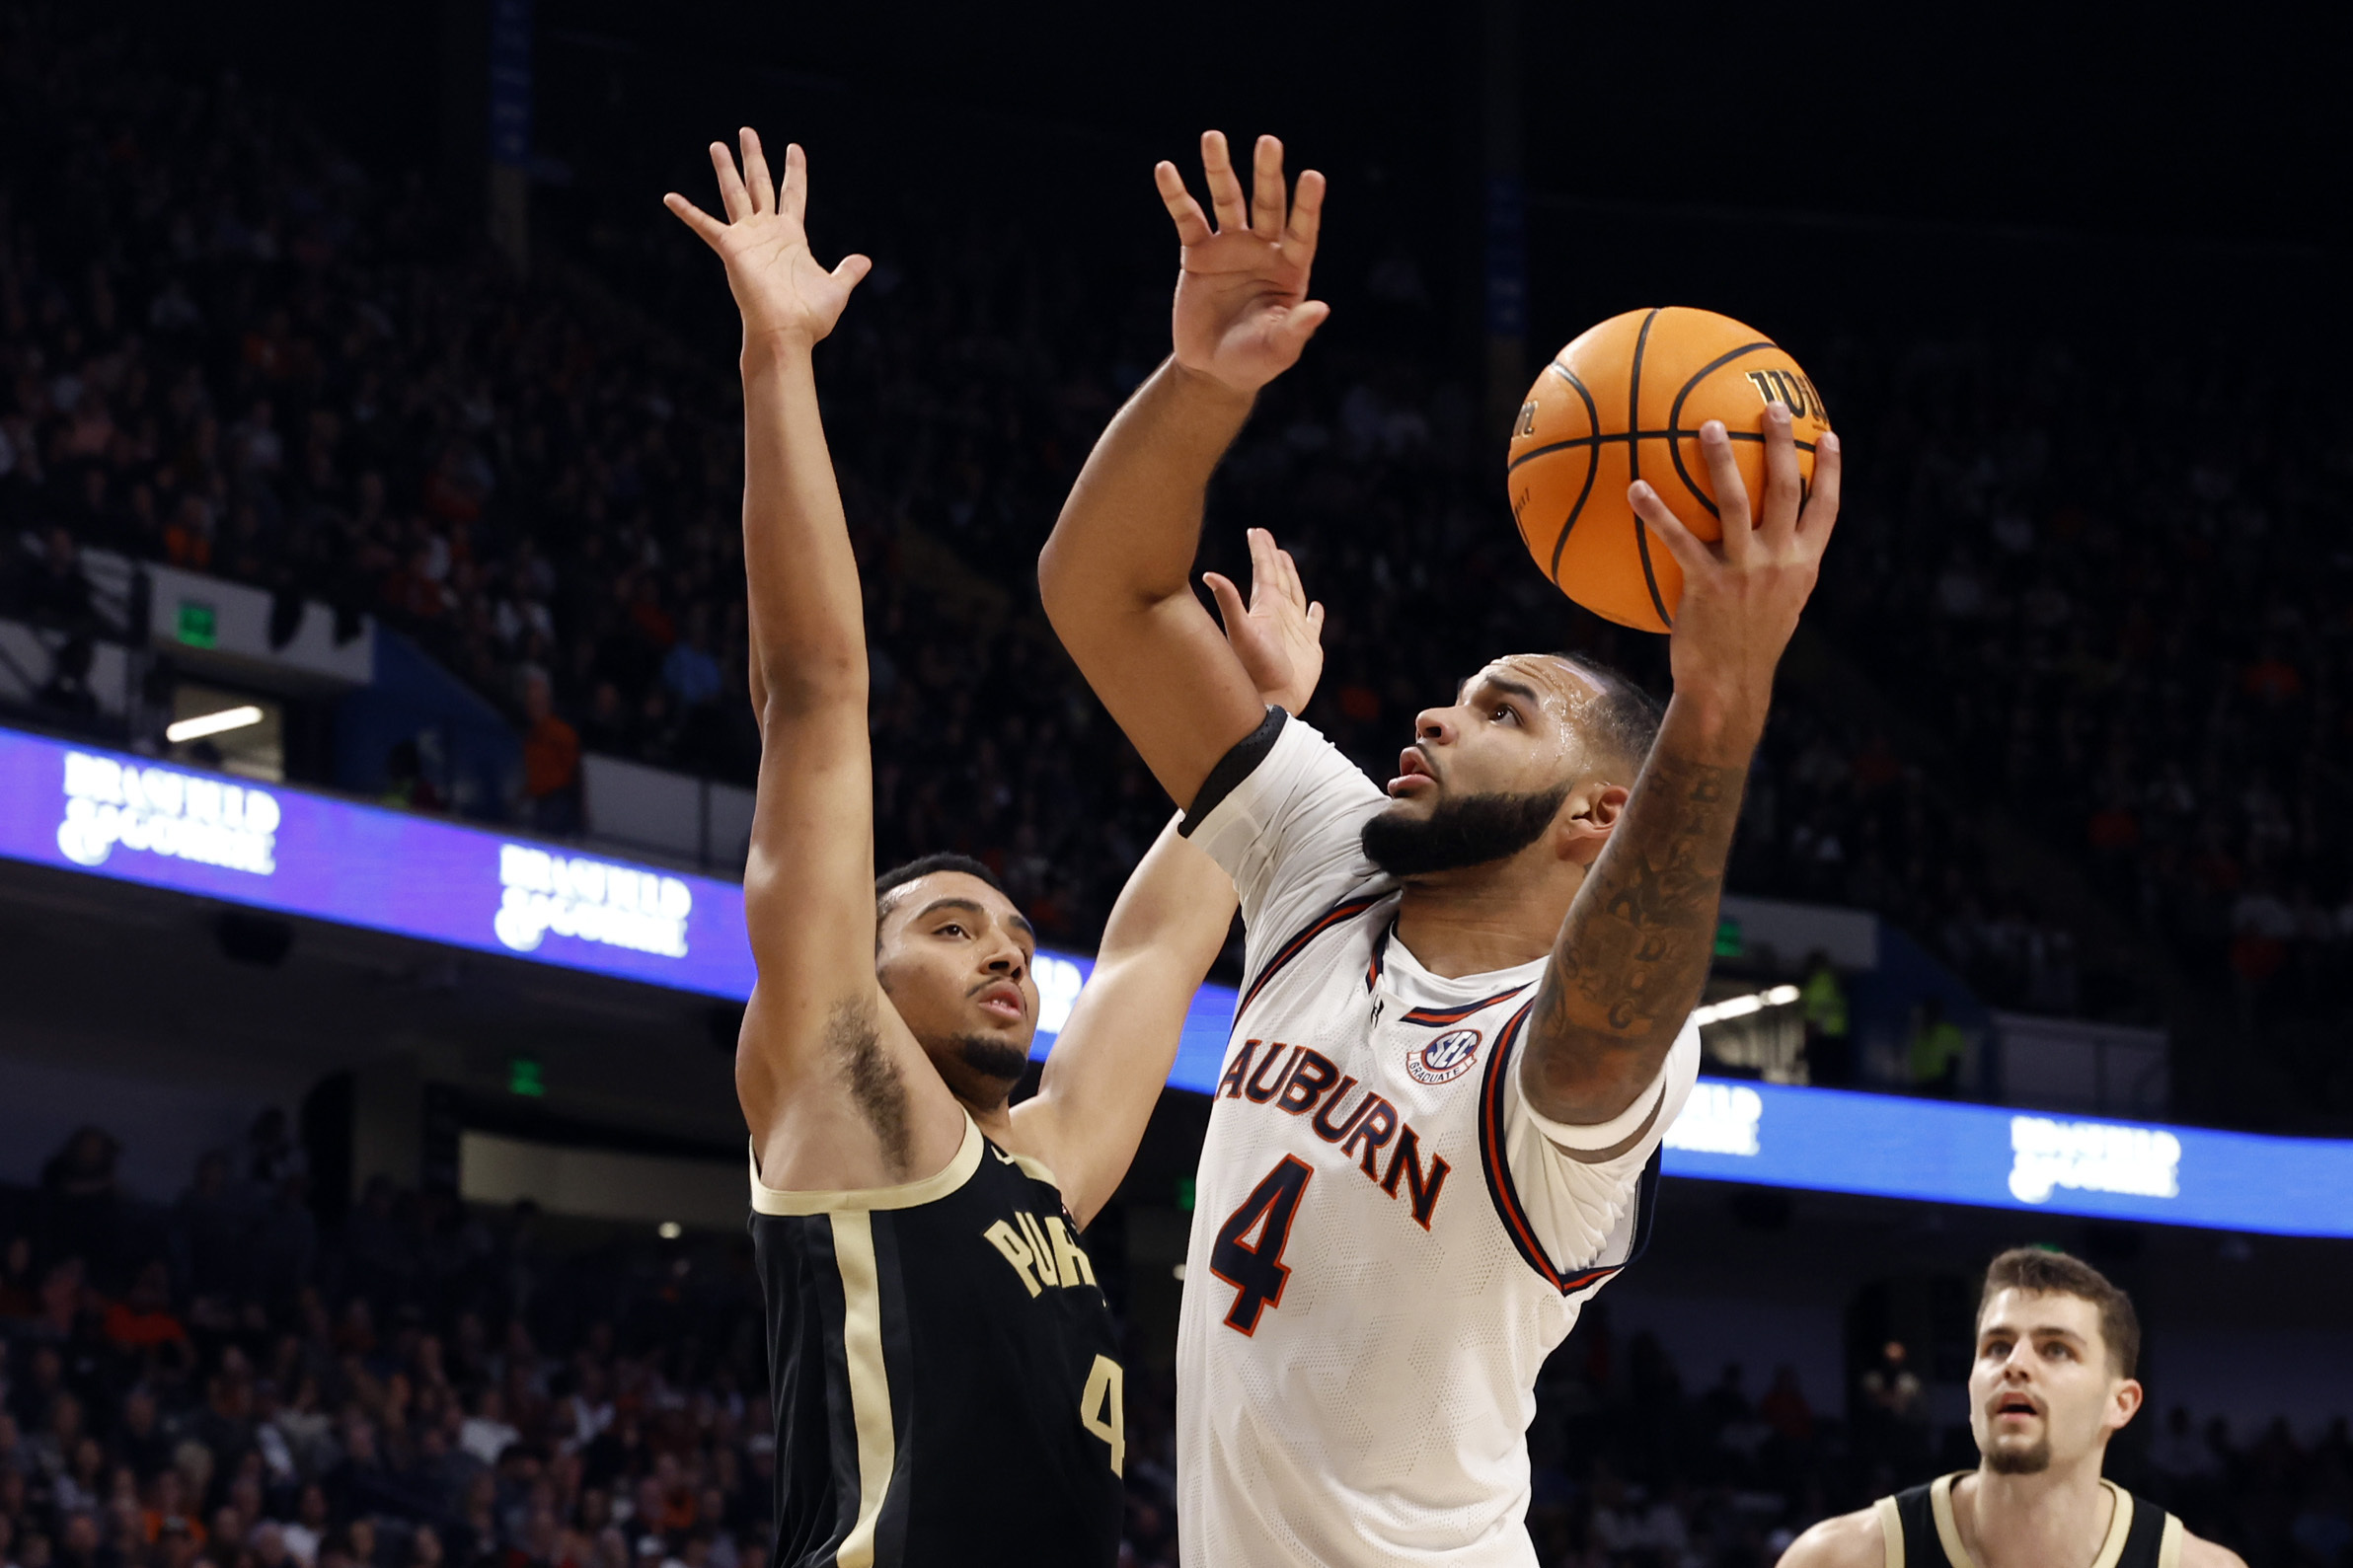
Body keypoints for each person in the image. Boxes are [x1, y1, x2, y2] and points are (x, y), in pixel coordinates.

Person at [1038, 129, 1842, 1566]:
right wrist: (1204, 383)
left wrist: (1720, 698)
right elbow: (1103, 592)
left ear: (1600, 815)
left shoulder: (1583, 1057)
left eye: (1501, 708)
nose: (1431, 710)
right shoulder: (1329, 862)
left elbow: (1608, 1019)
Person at [662, 129, 1325, 1568]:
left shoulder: (1050, 1169)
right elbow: (817, 693)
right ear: (865, 965)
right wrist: (778, 358)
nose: (1008, 949)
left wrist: (1267, 729)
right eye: (953, 927)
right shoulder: (839, 1089)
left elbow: (1158, 938)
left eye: (1017, 934)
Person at [1778, 1248, 2245, 1568]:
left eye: (2057, 1349)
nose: (2016, 1365)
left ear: (2119, 1404)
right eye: (1997, 1347)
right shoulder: (1838, 1559)